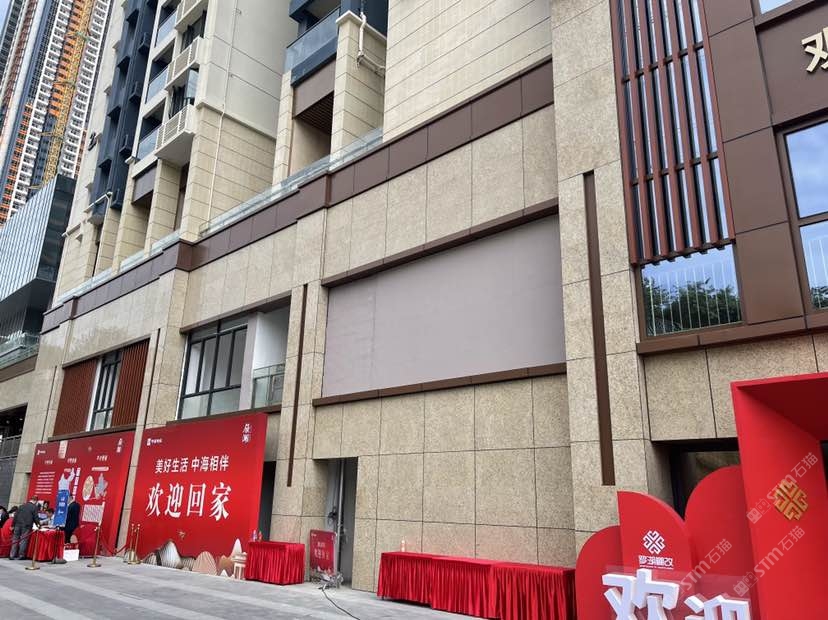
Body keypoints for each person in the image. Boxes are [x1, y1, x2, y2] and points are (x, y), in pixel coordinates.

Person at [10, 496, 38, 560]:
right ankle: (21, 555)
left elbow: (15, 516)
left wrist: (12, 525)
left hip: (17, 525)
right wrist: (38, 525)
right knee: (23, 540)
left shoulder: (21, 506)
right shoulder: (34, 507)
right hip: (26, 526)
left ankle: (12, 555)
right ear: (35, 501)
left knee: (15, 540)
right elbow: (36, 517)